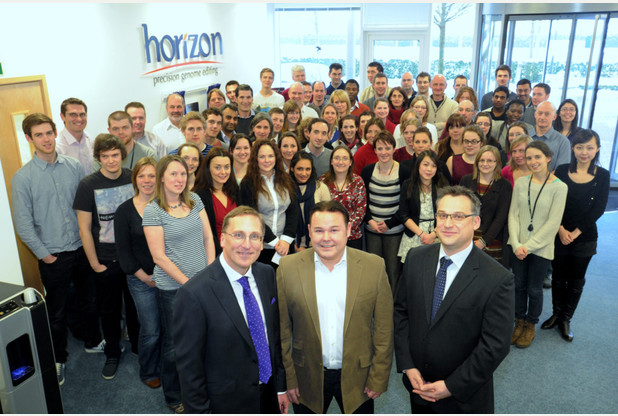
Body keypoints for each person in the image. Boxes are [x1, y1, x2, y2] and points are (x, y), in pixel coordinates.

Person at [394, 185, 514, 413]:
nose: (448, 224)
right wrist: (407, 365)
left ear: (476, 222)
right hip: (417, 386)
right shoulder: (415, 259)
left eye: (459, 216)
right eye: (442, 215)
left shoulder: (498, 279)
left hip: (465, 396)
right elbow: (401, 313)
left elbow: (494, 347)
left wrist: (451, 386)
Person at [277, 200, 393, 414]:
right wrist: (288, 378)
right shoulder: (287, 268)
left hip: (360, 377)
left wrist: (379, 376)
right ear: (310, 231)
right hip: (306, 378)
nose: (326, 238)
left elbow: (383, 329)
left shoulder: (374, 266)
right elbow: (282, 332)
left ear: (348, 230)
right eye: (319, 230)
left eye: (334, 230)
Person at [11, 113, 99, 386]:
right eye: (39, 135)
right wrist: (46, 256)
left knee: (88, 301)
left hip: (81, 250)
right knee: (56, 314)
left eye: (49, 133)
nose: (46, 139)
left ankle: (92, 341)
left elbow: (86, 208)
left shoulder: (73, 166)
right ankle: (58, 359)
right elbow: (23, 225)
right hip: (54, 256)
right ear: (29, 139)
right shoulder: (22, 178)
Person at [173, 206, 289, 414]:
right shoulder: (193, 294)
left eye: (255, 236)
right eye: (238, 235)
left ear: (262, 243)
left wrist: (280, 388)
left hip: (268, 394)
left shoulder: (267, 275)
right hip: (226, 403)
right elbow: (190, 370)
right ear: (222, 239)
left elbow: (274, 337)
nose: (247, 245)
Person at [143, 155, 216, 412]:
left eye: (182, 174)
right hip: (174, 289)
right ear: (162, 177)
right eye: (173, 174)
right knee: (175, 345)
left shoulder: (194, 200)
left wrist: (209, 274)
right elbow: (158, 257)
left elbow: (209, 238)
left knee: (203, 339)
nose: (179, 179)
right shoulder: (153, 210)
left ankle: (200, 387)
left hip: (202, 282)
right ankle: (174, 395)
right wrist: (189, 284)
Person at [73, 134, 135, 380]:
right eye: (105, 156)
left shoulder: (133, 177)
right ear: (98, 158)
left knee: (134, 308)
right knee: (108, 311)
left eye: (115, 155)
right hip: (105, 260)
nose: (111, 160)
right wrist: (95, 264)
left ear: (122, 154)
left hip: (132, 258)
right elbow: (84, 228)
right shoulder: (88, 185)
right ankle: (112, 351)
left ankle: (141, 349)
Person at [543, 129, 609, 341]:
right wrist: (561, 229)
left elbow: (598, 209)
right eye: (580, 147)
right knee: (558, 277)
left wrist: (575, 232)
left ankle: (565, 318)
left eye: (590, 147)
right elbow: (550, 201)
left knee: (576, 280)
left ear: (597, 149)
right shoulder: (561, 171)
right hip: (559, 232)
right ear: (573, 148)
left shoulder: (603, 175)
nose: (584, 152)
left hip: (585, 236)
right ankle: (556, 313)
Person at [508, 141, 567, 349]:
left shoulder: (560, 187)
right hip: (517, 245)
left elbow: (553, 224)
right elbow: (513, 214)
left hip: (540, 248)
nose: (533, 161)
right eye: (529, 157)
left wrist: (528, 246)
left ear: (548, 158)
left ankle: (530, 324)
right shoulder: (522, 182)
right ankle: (519, 321)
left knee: (534, 289)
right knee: (518, 286)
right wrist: (516, 243)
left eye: (538, 157)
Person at [114, 157, 162, 390]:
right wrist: (146, 278)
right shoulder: (124, 211)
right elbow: (124, 254)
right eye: (142, 175)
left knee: (171, 327)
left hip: (169, 278)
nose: (147, 180)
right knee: (151, 329)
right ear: (135, 180)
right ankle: (149, 369)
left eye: (151, 175)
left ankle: (168, 365)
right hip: (141, 279)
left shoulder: (166, 205)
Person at [239, 139, 299, 268]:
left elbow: (293, 210)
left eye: (270, 156)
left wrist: (286, 239)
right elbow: (252, 216)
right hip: (260, 248)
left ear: (276, 158)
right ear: (255, 159)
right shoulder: (247, 183)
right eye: (262, 156)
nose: (267, 160)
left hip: (286, 246)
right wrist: (275, 242)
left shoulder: (286, 180)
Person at [361, 131, 408, 293]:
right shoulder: (368, 171)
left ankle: (392, 308)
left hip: (394, 231)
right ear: (374, 150)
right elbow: (363, 202)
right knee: (374, 270)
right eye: (379, 148)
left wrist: (389, 223)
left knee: (393, 271)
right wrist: (370, 221)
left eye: (387, 148)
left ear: (394, 149)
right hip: (372, 230)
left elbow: (405, 205)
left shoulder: (403, 171)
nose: (383, 152)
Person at [460, 145, 512, 264]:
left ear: (497, 163)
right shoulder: (466, 181)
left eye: (489, 160)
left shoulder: (505, 185)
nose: (485, 164)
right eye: (482, 160)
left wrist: (483, 241)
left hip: (492, 242)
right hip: (467, 240)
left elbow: (501, 218)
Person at [397, 150, 446, 262]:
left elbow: (446, 215)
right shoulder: (408, 184)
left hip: (437, 235)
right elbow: (403, 214)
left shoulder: (442, 185)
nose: (429, 169)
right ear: (418, 165)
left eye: (433, 166)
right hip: (414, 235)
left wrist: (433, 234)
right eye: (425, 164)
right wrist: (422, 234)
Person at [193, 147, 239, 256]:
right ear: (208, 168)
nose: (223, 172)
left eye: (227, 167)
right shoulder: (200, 195)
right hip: (215, 254)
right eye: (217, 167)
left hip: (238, 251)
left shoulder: (234, 191)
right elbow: (205, 234)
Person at [320, 146, 367, 249]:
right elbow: (319, 209)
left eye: (345, 158)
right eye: (337, 158)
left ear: (350, 162)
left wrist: (345, 229)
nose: (340, 162)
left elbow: (361, 210)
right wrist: (333, 230)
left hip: (352, 236)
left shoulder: (358, 181)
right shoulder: (322, 181)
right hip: (328, 236)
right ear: (331, 161)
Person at [289, 152, 331, 251]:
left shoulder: (320, 187)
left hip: (317, 243)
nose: (304, 173)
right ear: (292, 168)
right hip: (292, 244)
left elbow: (328, 218)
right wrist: (294, 246)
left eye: (308, 169)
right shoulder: (285, 188)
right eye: (300, 169)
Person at [56, 97, 94, 173]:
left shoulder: (90, 139)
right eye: (73, 115)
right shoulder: (57, 147)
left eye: (82, 114)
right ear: (62, 116)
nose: (79, 119)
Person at [532, 101, 571, 172]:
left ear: (554, 117)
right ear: (535, 114)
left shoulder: (563, 142)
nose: (542, 117)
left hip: (550, 182)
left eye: (547, 114)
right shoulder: (525, 135)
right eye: (540, 113)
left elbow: (561, 170)